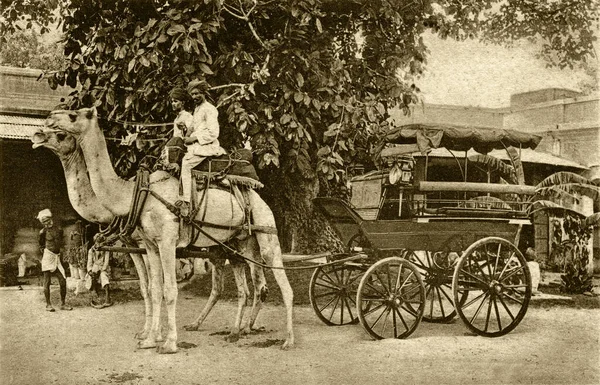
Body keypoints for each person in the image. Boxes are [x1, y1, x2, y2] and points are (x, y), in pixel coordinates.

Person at [179, 79, 227, 216]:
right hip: (197, 145)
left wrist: (193, 138)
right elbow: (194, 128)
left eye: (197, 94)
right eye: (192, 95)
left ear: (203, 93)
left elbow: (213, 133)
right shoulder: (198, 109)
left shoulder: (209, 109)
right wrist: (185, 130)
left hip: (208, 146)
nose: (194, 97)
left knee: (186, 164)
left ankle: (186, 202)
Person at [37, 209, 72, 312]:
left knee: (62, 280)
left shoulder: (59, 229)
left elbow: (60, 242)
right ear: (42, 223)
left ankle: (63, 304)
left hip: (57, 257)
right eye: (44, 222)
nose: (47, 223)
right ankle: (48, 305)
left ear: (51, 219)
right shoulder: (42, 232)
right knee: (47, 281)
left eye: (48, 220)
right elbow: (41, 245)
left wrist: (60, 252)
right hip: (48, 257)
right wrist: (46, 253)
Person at [164, 87, 194, 170]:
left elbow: (191, 133)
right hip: (176, 149)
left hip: (184, 149)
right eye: (172, 101)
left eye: (175, 101)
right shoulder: (176, 119)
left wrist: (184, 129)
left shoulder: (187, 116)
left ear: (183, 103)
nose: (173, 104)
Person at [86, 235, 112, 308]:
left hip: (103, 267)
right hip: (95, 267)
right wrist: (90, 271)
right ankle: (94, 295)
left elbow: (106, 262)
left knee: (104, 276)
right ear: (95, 242)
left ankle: (107, 298)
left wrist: (102, 270)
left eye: (101, 243)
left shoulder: (106, 250)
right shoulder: (91, 250)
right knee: (91, 277)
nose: (99, 245)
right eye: (98, 243)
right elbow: (89, 263)